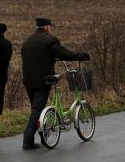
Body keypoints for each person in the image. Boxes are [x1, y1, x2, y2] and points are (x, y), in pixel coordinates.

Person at [20, 16, 90, 150]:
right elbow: (64, 54)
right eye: (49, 27)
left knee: (36, 110)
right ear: (47, 27)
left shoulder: (27, 41)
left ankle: (44, 135)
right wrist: (80, 56)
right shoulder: (50, 40)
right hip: (43, 81)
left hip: (28, 81)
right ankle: (27, 141)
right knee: (37, 110)